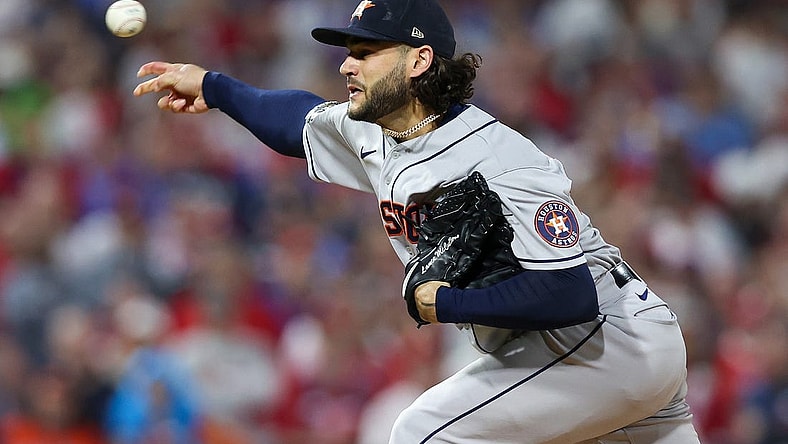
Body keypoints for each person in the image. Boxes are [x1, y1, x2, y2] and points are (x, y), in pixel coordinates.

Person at [133, 0, 702, 442]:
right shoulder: (377, 130)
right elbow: (296, 121)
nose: (346, 64)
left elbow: (569, 293)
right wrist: (214, 87)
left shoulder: (500, 159)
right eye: (348, 50)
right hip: (600, 355)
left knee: (421, 433)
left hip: (601, 342)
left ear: (419, 60)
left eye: (365, 52)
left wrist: (447, 303)